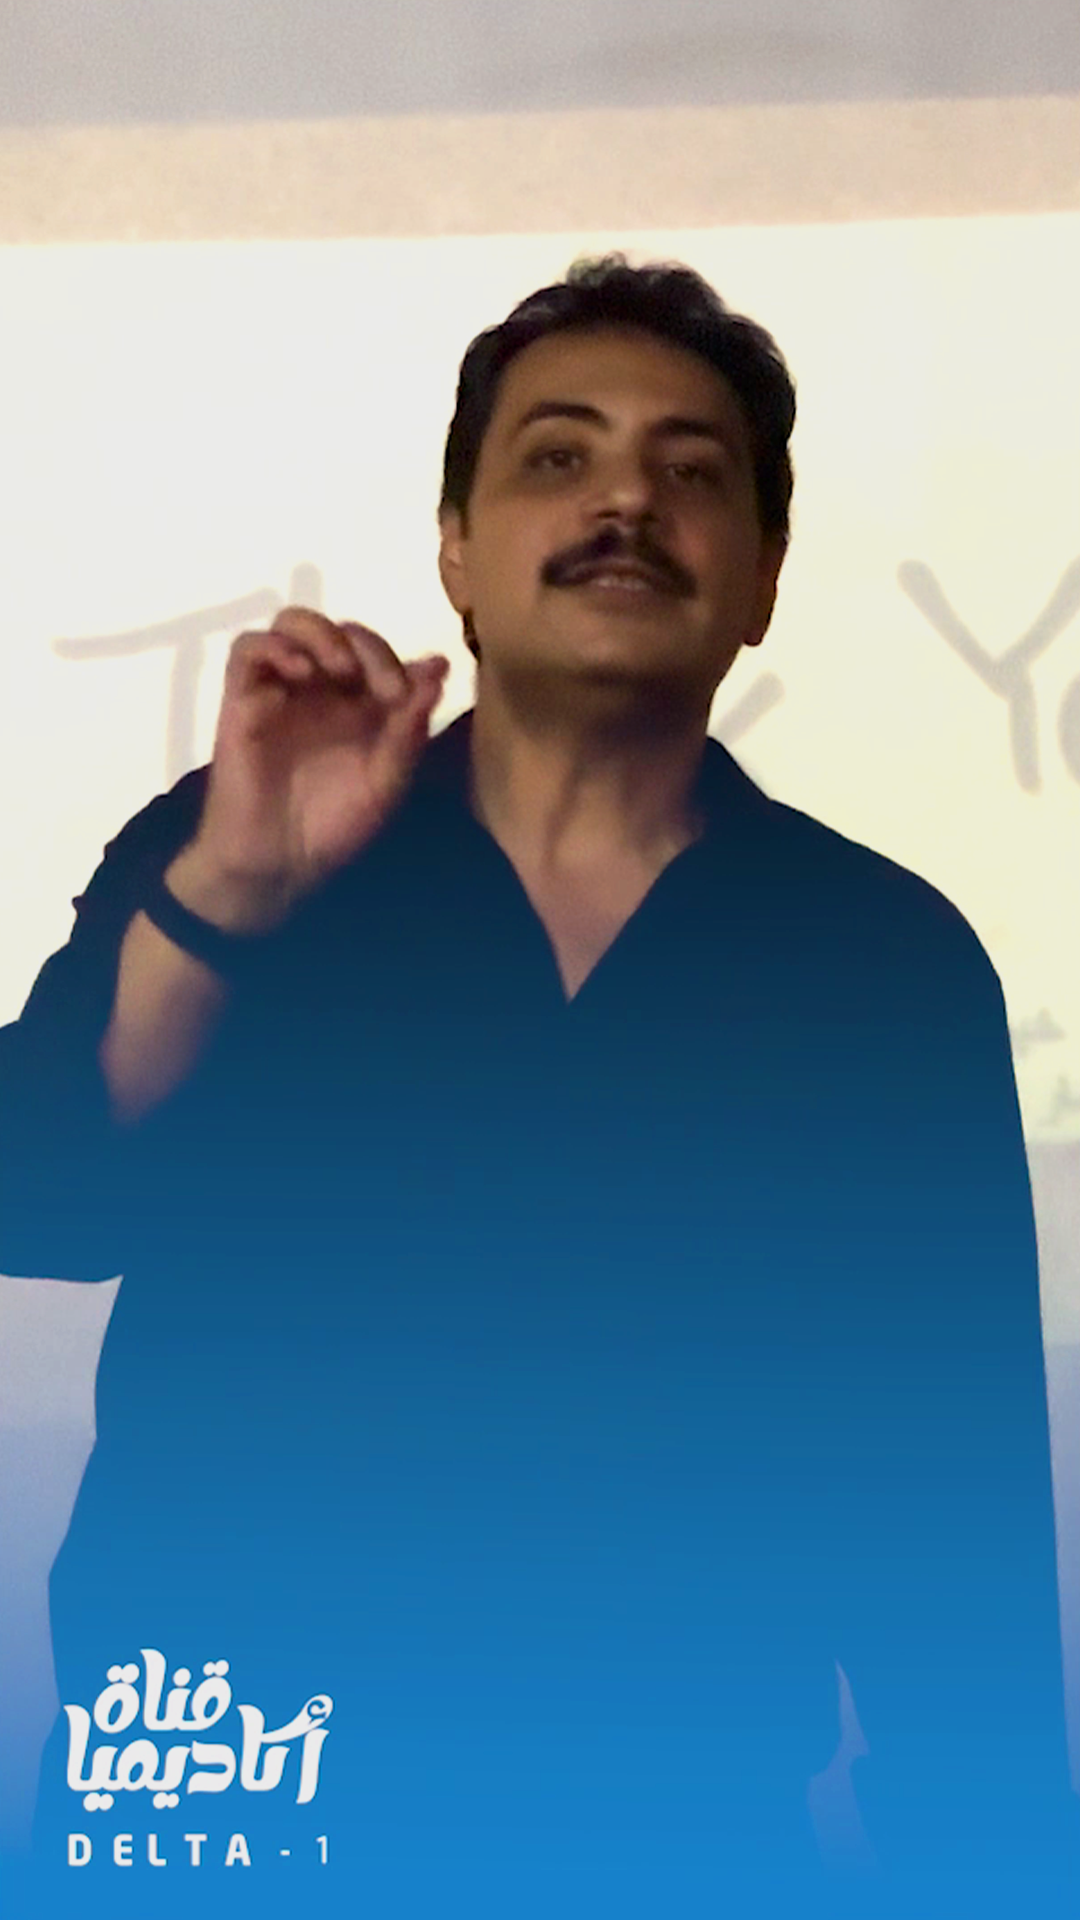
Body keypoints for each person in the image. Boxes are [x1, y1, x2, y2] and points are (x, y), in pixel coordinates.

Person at [1, 253, 1076, 1918]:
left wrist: (990, 1873)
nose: (625, 502)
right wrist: (228, 900)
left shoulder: (887, 963)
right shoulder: (236, 844)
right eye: (558, 456)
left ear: (764, 578)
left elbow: (951, 1503)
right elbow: (39, 1198)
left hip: (661, 1823)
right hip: (220, 1806)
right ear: (456, 550)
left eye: (692, 472)